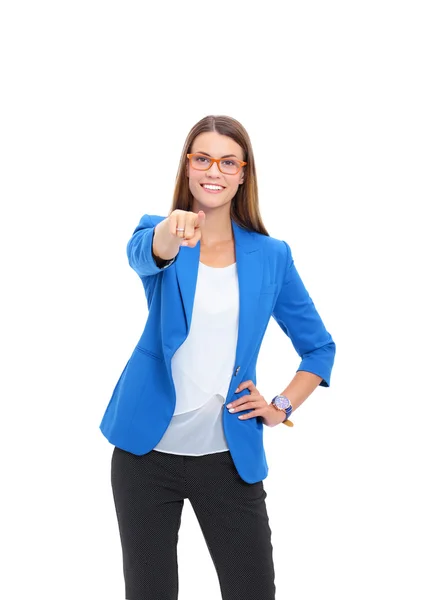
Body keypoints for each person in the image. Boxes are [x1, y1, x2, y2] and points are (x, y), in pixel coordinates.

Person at [100, 114, 336, 600]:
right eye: (202, 158)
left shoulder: (272, 255)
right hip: (146, 453)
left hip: (229, 455)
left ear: (244, 173)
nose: (214, 170)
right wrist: (173, 230)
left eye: (228, 162)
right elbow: (147, 254)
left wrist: (280, 408)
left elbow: (319, 348)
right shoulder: (161, 232)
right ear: (187, 168)